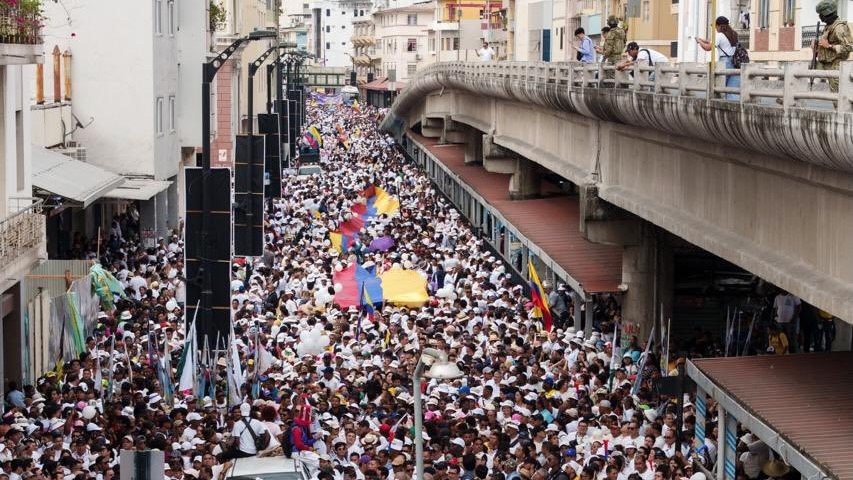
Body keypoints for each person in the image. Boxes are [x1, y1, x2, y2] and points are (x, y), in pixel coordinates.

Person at [696, 16, 741, 100]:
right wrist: (701, 40)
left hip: (725, 63)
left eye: (715, 26)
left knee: (722, 88)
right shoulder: (734, 34)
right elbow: (710, 42)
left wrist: (699, 42)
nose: (715, 28)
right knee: (731, 89)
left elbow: (708, 47)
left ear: (719, 26)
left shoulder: (720, 35)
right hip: (735, 62)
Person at [813, 0, 853, 92]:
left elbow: (850, 46)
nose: (820, 17)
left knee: (838, 96)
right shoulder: (829, 26)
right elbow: (826, 43)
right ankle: (792, 98)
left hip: (835, 65)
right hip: (824, 63)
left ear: (826, 14)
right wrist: (816, 46)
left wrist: (829, 46)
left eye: (821, 14)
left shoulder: (839, 27)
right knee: (803, 75)